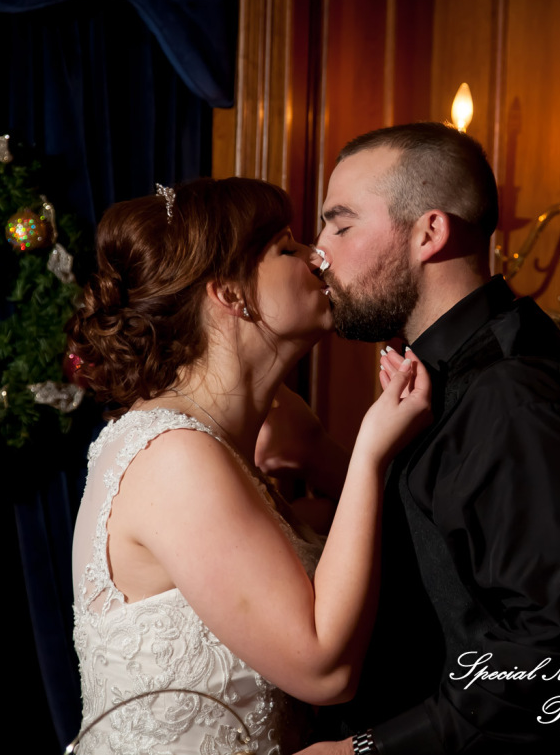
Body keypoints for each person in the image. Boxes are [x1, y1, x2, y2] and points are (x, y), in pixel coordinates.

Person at [294, 123, 560, 754]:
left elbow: (552, 656)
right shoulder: (447, 374)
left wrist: (367, 751)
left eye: (340, 226)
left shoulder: (513, 395)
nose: (318, 253)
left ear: (429, 232)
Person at [67, 177, 431, 754]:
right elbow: (325, 671)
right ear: (231, 294)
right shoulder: (174, 459)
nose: (318, 255)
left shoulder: (221, 446)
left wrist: (320, 452)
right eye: (287, 248)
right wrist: (368, 452)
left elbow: (377, 546)